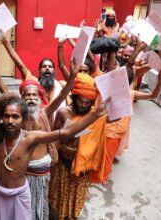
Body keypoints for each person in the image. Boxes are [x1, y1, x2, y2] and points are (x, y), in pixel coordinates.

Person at [0, 53, 107, 220]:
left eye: (15, 117)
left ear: (22, 117)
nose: (10, 121)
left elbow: (67, 132)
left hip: (23, 191)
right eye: (6, 116)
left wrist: (95, 114)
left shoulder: (31, 136)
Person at [0, 49, 79, 220]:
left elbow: (62, 95)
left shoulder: (45, 112)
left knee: (38, 209)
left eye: (34, 95)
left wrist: (72, 76)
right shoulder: (16, 119)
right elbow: (4, 91)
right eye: (27, 94)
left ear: (39, 97)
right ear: (21, 98)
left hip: (41, 172)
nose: (30, 97)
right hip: (20, 175)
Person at [49, 74, 109, 220]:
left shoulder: (96, 115)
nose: (83, 105)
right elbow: (53, 135)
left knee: (77, 197)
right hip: (63, 163)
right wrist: (65, 137)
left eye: (87, 102)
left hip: (82, 165)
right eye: (81, 101)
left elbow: (115, 117)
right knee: (60, 196)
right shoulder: (63, 113)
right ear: (75, 98)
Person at [0, 30, 68, 112]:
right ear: (39, 71)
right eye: (44, 66)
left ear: (54, 71)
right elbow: (20, 65)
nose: (47, 68)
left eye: (50, 66)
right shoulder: (33, 83)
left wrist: (60, 45)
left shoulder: (61, 86)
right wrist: (5, 42)